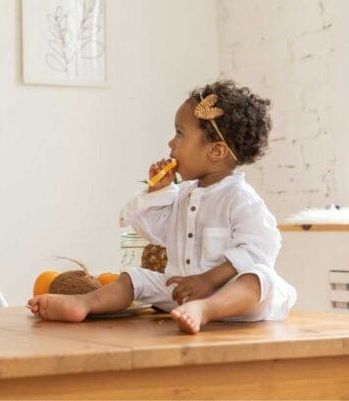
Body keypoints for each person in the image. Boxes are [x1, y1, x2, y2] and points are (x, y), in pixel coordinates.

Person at [28, 80, 297, 333]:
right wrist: (157, 192)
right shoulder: (181, 194)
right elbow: (153, 231)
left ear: (215, 151)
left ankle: (206, 309)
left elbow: (261, 247)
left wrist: (210, 281)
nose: (171, 143)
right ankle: (85, 303)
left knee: (259, 278)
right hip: (182, 292)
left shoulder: (240, 198)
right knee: (135, 278)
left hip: (235, 298)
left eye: (180, 133)